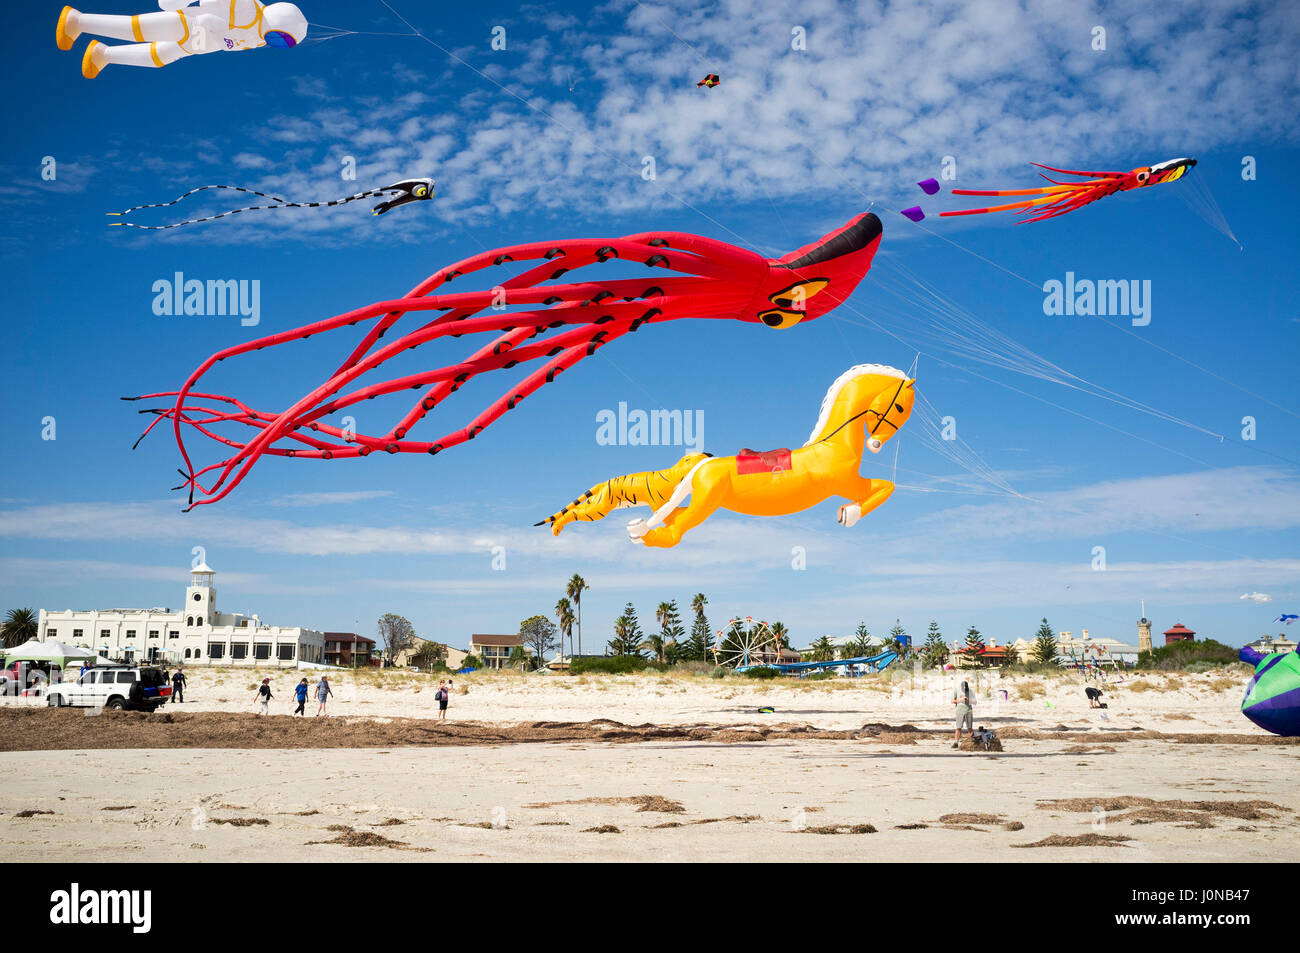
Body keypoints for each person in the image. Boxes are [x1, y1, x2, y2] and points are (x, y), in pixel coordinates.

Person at [56, 1, 309, 79]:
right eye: (280, 37)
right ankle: (77, 21)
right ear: (278, 21)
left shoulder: (259, 39)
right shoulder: (248, 9)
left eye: (283, 44)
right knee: (138, 29)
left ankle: (103, 54)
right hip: (189, 24)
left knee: (160, 56)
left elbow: (228, 42)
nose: (275, 42)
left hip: (196, 44)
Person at [952, 679, 973, 748]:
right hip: (959, 711)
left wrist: (968, 701)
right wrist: (961, 700)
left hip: (968, 711)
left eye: (965, 688)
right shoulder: (956, 690)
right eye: (963, 688)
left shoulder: (970, 691)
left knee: (969, 728)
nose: (964, 690)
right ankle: (956, 742)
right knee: (958, 727)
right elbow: (953, 701)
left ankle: (970, 742)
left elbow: (975, 702)